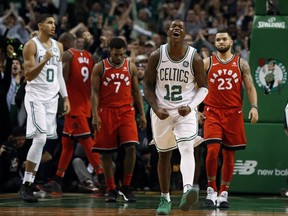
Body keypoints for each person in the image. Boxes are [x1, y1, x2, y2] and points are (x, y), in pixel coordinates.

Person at [144, 19, 208, 215]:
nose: (177, 28)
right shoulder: (157, 55)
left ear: (185, 33)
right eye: (173, 26)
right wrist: (155, 107)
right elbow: (147, 85)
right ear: (168, 32)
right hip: (162, 111)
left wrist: (190, 107)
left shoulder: (194, 58)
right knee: (164, 155)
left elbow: (204, 88)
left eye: (181, 26)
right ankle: (165, 199)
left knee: (187, 146)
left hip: (184, 111)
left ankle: (188, 189)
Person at [37, 32, 106, 195]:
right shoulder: (89, 56)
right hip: (84, 105)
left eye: (60, 44)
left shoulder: (67, 55)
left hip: (73, 107)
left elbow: (62, 81)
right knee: (67, 143)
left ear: (66, 43)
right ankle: (57, 180)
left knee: (87, 142)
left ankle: (103, 178)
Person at [203, 29, 258, 208]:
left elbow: (250, 87)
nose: (220, 42)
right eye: (217, 39)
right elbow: (195, 86)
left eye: (224, 39)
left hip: (233, 113)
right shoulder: (207, 63)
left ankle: (224, 192)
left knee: (229, 153)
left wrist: (254, 107)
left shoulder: (241, 63)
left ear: (231, 41)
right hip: (212, 111)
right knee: (212, 150)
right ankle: (211, 190)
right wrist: (196, 109)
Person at [18, 14, 70, 202]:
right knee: (39, 139)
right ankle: (26, 184)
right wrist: (44, 59)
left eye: (54, 23)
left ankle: (29, 182)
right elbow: (29, 75)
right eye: (49, 22)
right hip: (35, 97)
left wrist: (65, 97)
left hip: (51, 99)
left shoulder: (59, 46)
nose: (53, 25)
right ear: (40, 25)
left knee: (43, 141)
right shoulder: (31, 45)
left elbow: (59, 76)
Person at [91, 37, 147, 202]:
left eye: (122, 54)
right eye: (116, 54)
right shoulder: (99, 67)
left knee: (131, 147)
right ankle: (111, 188)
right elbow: (94, 92)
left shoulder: (130, 66)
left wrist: (142, 113)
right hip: (106, 111)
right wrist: (94, 115)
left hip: (126, 111)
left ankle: (126, 186)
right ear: (110, 51)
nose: (119, 57)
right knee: (107, 154)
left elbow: (136, 92)